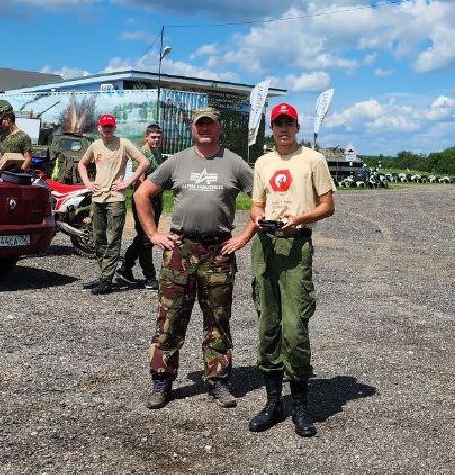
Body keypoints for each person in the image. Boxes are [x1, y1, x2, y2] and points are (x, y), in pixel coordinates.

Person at [133, 106, 255, 409]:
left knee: (217, 320)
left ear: (218, 127)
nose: (204, 129)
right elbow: (141, 194)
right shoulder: (178, 161)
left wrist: (243, 236)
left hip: (218, 252)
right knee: (170, 318)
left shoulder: (235, 163)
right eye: (199, 124)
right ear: (192, 128)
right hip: (181, 250)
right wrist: (153, 234)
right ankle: (161, 379)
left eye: (209, 124)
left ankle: (218, 381)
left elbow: (262, 201)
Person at [238, 101, 335, 437]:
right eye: (277, 124)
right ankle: (272, 403)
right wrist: (258, 220)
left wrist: (300, 220)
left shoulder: (313, 160)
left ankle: (300, 408)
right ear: (272, 128)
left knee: (294, 328)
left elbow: (328, 206)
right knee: (268, 323)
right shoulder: (263, 162)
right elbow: (257, 204)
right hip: (265, 246)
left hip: (296, 245)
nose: (282, 130)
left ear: (297, 126)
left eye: (287, 124)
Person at [79, 113, 153, 295]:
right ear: (99, 128)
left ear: (114, 127)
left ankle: (106, 281)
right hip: (97, 199)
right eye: (104, 126)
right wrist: (87, 183)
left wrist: (128, 181)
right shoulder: (95, 145)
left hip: (115, 200)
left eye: (110, 126)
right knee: (98, 239)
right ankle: (105, 274)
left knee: (112, 240)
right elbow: (81, 164)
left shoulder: (124, 143)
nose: (107, 129)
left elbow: (144, 161)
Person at [119, 122, 164, 289]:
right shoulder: (143, 153)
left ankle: (125, 267)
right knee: (146, 239)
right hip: (144, 200)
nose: (156, 140)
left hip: (156, 199)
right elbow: (140, 180)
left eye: (159, 137)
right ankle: (150, 277)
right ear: (146, 137)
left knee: (144, 237)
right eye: (153, 137)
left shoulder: (156, 152)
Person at [0, 108, 33, 180]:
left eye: (0, 122)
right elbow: (1, 158)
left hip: (15, 178)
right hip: (2, 176)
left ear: (8, 119)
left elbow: (28, 159)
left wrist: (20, 175)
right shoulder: (2, 137)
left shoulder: (23, 137)